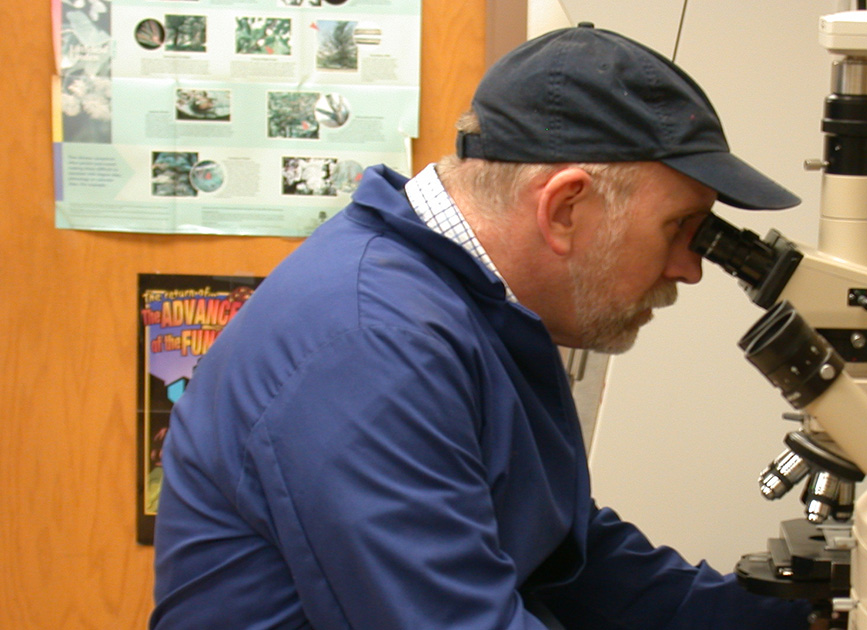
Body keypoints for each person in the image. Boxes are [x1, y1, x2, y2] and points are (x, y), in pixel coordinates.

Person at [151, 24, 809, 629]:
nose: (690, 269)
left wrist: (809, 618)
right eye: (680, 228)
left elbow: (574, 562)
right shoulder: (369, 343)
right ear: (565, 207)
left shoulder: (468, 308)